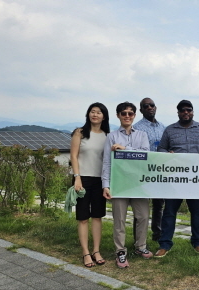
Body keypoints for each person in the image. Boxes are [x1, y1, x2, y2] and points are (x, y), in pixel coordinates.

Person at [153, 100, 199, 258]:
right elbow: (161, 149)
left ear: (193, 112)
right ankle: (165, 244)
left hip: (196, 178)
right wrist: (167, 155)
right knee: (169, 212)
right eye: (182, 110)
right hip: (175, 178)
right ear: (178, 112)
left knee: (198, 212)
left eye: (189, 110)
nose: (186, 112)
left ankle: (198, 243)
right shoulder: (170, 130)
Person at [102, 102, 151, 268]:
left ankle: (141, 246)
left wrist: (124, 149)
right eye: (124, 113)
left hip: (138, 184)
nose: (127, 116)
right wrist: (105, 185)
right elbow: (107, 162)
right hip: (119, 184)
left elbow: (146, 156)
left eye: (131, 113)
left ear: (135, 116)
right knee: (119, 220)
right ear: (118, 115)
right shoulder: (112, 136)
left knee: (143, 216)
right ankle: (120, 252)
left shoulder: (142, 135)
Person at [70, 102, 110, 268]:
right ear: (88, 114)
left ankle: (96, 250)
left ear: (104, 116)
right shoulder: (80, 133)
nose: (95, 115)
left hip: (100, 180)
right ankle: (86, 252)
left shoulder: (108, 135)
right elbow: (73, 156)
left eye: (99, 112)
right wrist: (77, 177)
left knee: (97, 216)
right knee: (83, 217)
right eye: (92, 112)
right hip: (83, 179)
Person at [133, 98, 166, 242]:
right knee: (140, 208)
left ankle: (157, 235)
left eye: (152, 105)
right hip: (143, 172)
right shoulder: (137, 128)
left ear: (156, 107)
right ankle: (139, 237)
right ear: (141, 110)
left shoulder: (163, 127)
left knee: (159, 206)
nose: (149, 108)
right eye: (146, 106)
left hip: (159, 172)